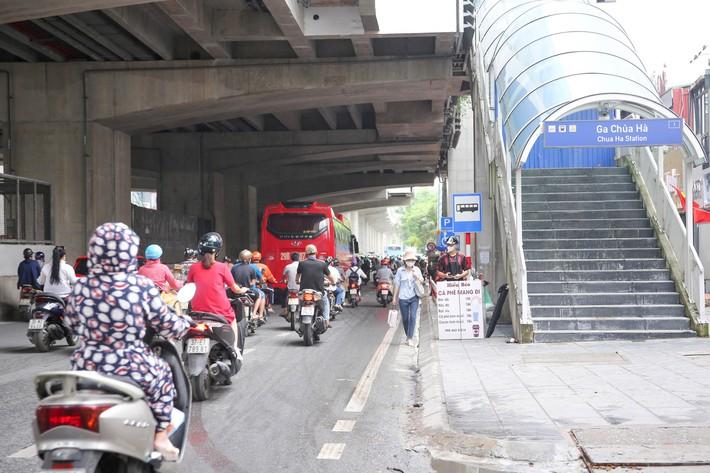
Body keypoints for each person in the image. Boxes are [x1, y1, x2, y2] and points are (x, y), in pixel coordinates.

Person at [65, 222, 191, 460]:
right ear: (129, 253)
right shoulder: (139, 286)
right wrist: (185, 325)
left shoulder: (81, 286)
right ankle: (161, 435)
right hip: (130, 363)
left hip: (85, 366)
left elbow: (71, 324)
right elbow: (166, 323)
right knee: (163, 374)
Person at [187, 233, 248, 350]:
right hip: (220, 311)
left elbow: (189, 286)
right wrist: (243, 290)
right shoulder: (223, 267)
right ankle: (234, 349)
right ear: (217, 251)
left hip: (197, 311)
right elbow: (235, 288)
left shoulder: (193, 268)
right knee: (233, 320)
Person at [297, 244, 336, 328]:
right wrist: (333, 282)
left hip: (304, 291)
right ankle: (326, 321)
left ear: (306, 253)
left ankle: (299, 318)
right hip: (318, 292)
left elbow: (297, 277)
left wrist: (297, 281)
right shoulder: (322, 264)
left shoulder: (301, 263)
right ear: (316, 252)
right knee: (325, 302)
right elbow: (331, 277)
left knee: (300, 304)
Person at [392, 249, 425, 346]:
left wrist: (417, 278)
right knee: (405, 319)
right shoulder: (400, 271)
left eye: (412, 260)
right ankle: (408, 336)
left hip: (414, 297)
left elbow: (422, 281)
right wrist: (394, 298)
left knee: (413, 317)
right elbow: (397, 284)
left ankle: (410, 338)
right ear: (405, 261)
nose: (411, 262)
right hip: (403, 298)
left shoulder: (417, 270)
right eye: (409, 260)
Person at [231, 250, 266, 324]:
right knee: (259, 295)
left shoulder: (234, 267)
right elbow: (252, 283)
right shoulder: (252, 268)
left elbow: (231, 280)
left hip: (236, 290)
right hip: (248, 290)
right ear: (250, 259)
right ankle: (254, 314)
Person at [282, 252, 300, 318]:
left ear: (291, 259)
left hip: (290, 288)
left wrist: (283, 280)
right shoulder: (302, 265)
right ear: (299, 258)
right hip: (300, 288)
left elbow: (284, 276)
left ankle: (285, 310)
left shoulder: (288, 266)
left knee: (284, 295)